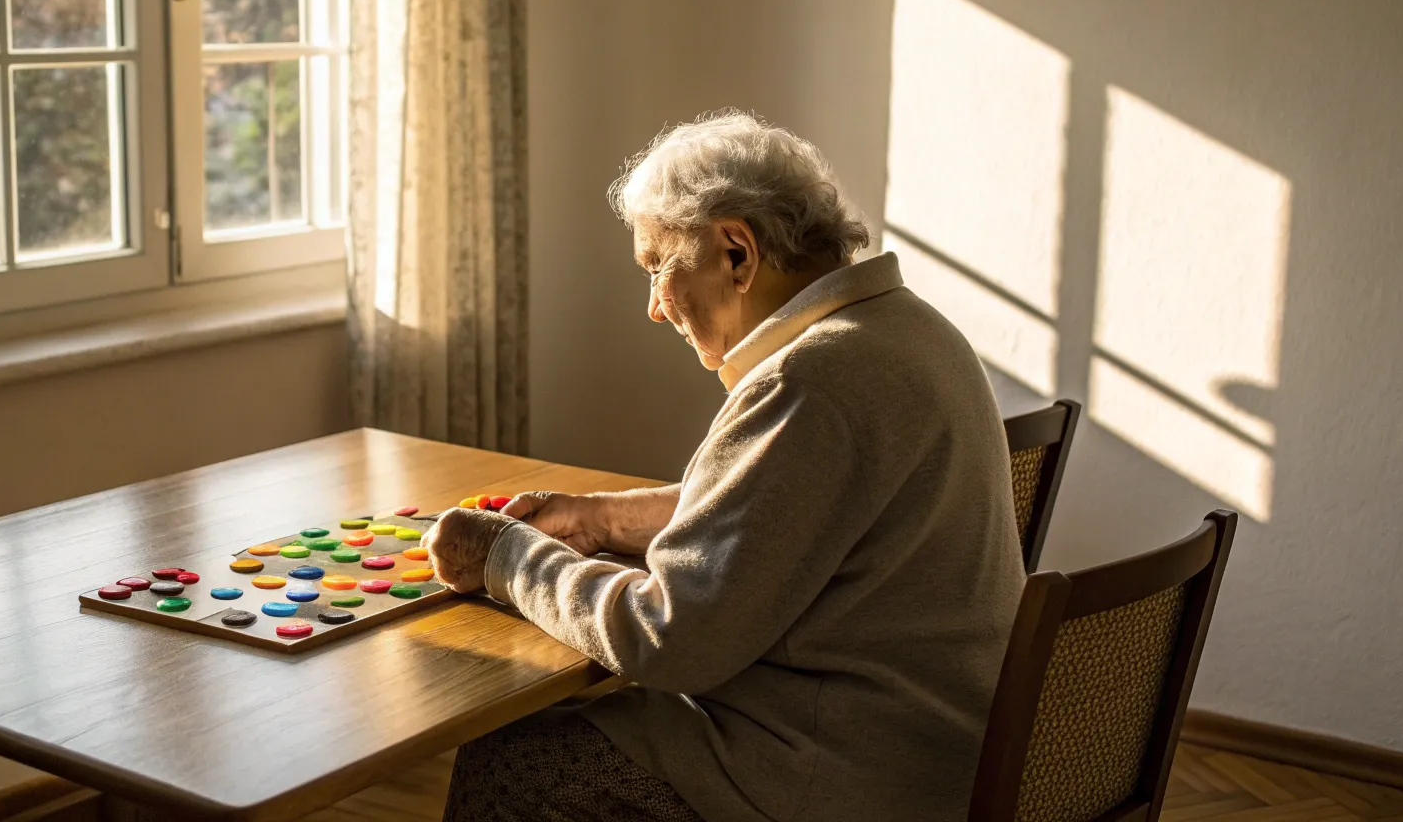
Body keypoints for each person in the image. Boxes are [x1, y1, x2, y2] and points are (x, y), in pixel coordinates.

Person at [424, 110, 1026, 822]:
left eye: (657, 266)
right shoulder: (910, 328)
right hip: (940, 745)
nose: (654, 307)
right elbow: (780, 506)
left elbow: (667, 641)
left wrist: (506, 557)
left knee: (514, 760)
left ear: (737, 252)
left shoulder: (808, 381)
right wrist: (601, 517)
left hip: (849, 775)